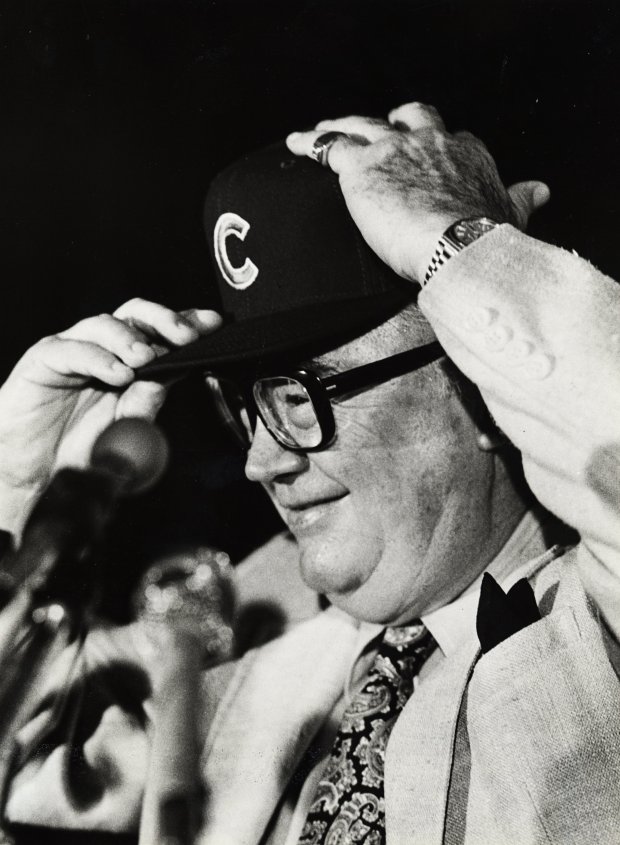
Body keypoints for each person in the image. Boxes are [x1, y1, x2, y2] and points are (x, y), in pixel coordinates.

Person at [0, 101, 619, 844]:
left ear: (476, 380)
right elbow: (23, 766)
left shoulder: (594, 625)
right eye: (246, 406)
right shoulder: (241, 638)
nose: (260, 461)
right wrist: (19, 492)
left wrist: (460, 246)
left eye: (300, 396)